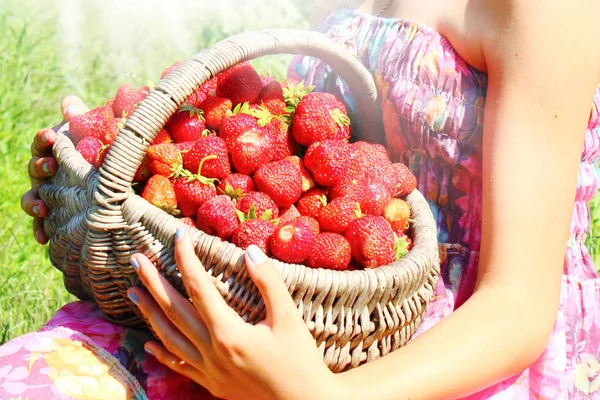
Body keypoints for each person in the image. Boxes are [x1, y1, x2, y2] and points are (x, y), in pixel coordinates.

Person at [9, 0, 600, 398]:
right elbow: (296, 156)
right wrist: (105, 176)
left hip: (428, 362)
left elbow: (519, 306)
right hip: (287, 300)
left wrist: (315, 393)